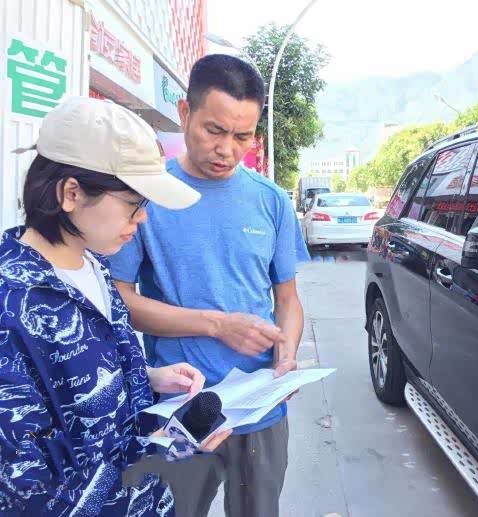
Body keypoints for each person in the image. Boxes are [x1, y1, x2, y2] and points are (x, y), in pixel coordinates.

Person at [0, 97, 231, 516]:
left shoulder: (95, 266)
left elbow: (93, 407)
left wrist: (149, 380)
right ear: (71, 193)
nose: (142, 219)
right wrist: (167, 450)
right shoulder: (11, 306)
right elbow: (28, 490)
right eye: (133, 203)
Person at [110, 54, 310, 517]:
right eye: (214, 130)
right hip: (180, 407)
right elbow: (120, 300)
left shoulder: (271, 201)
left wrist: (286, 355)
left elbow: (287, 300)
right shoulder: (149, 196)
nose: (226, 150)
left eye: (242, 137)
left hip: (259, 411)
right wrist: (218, 325)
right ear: (185, 113)